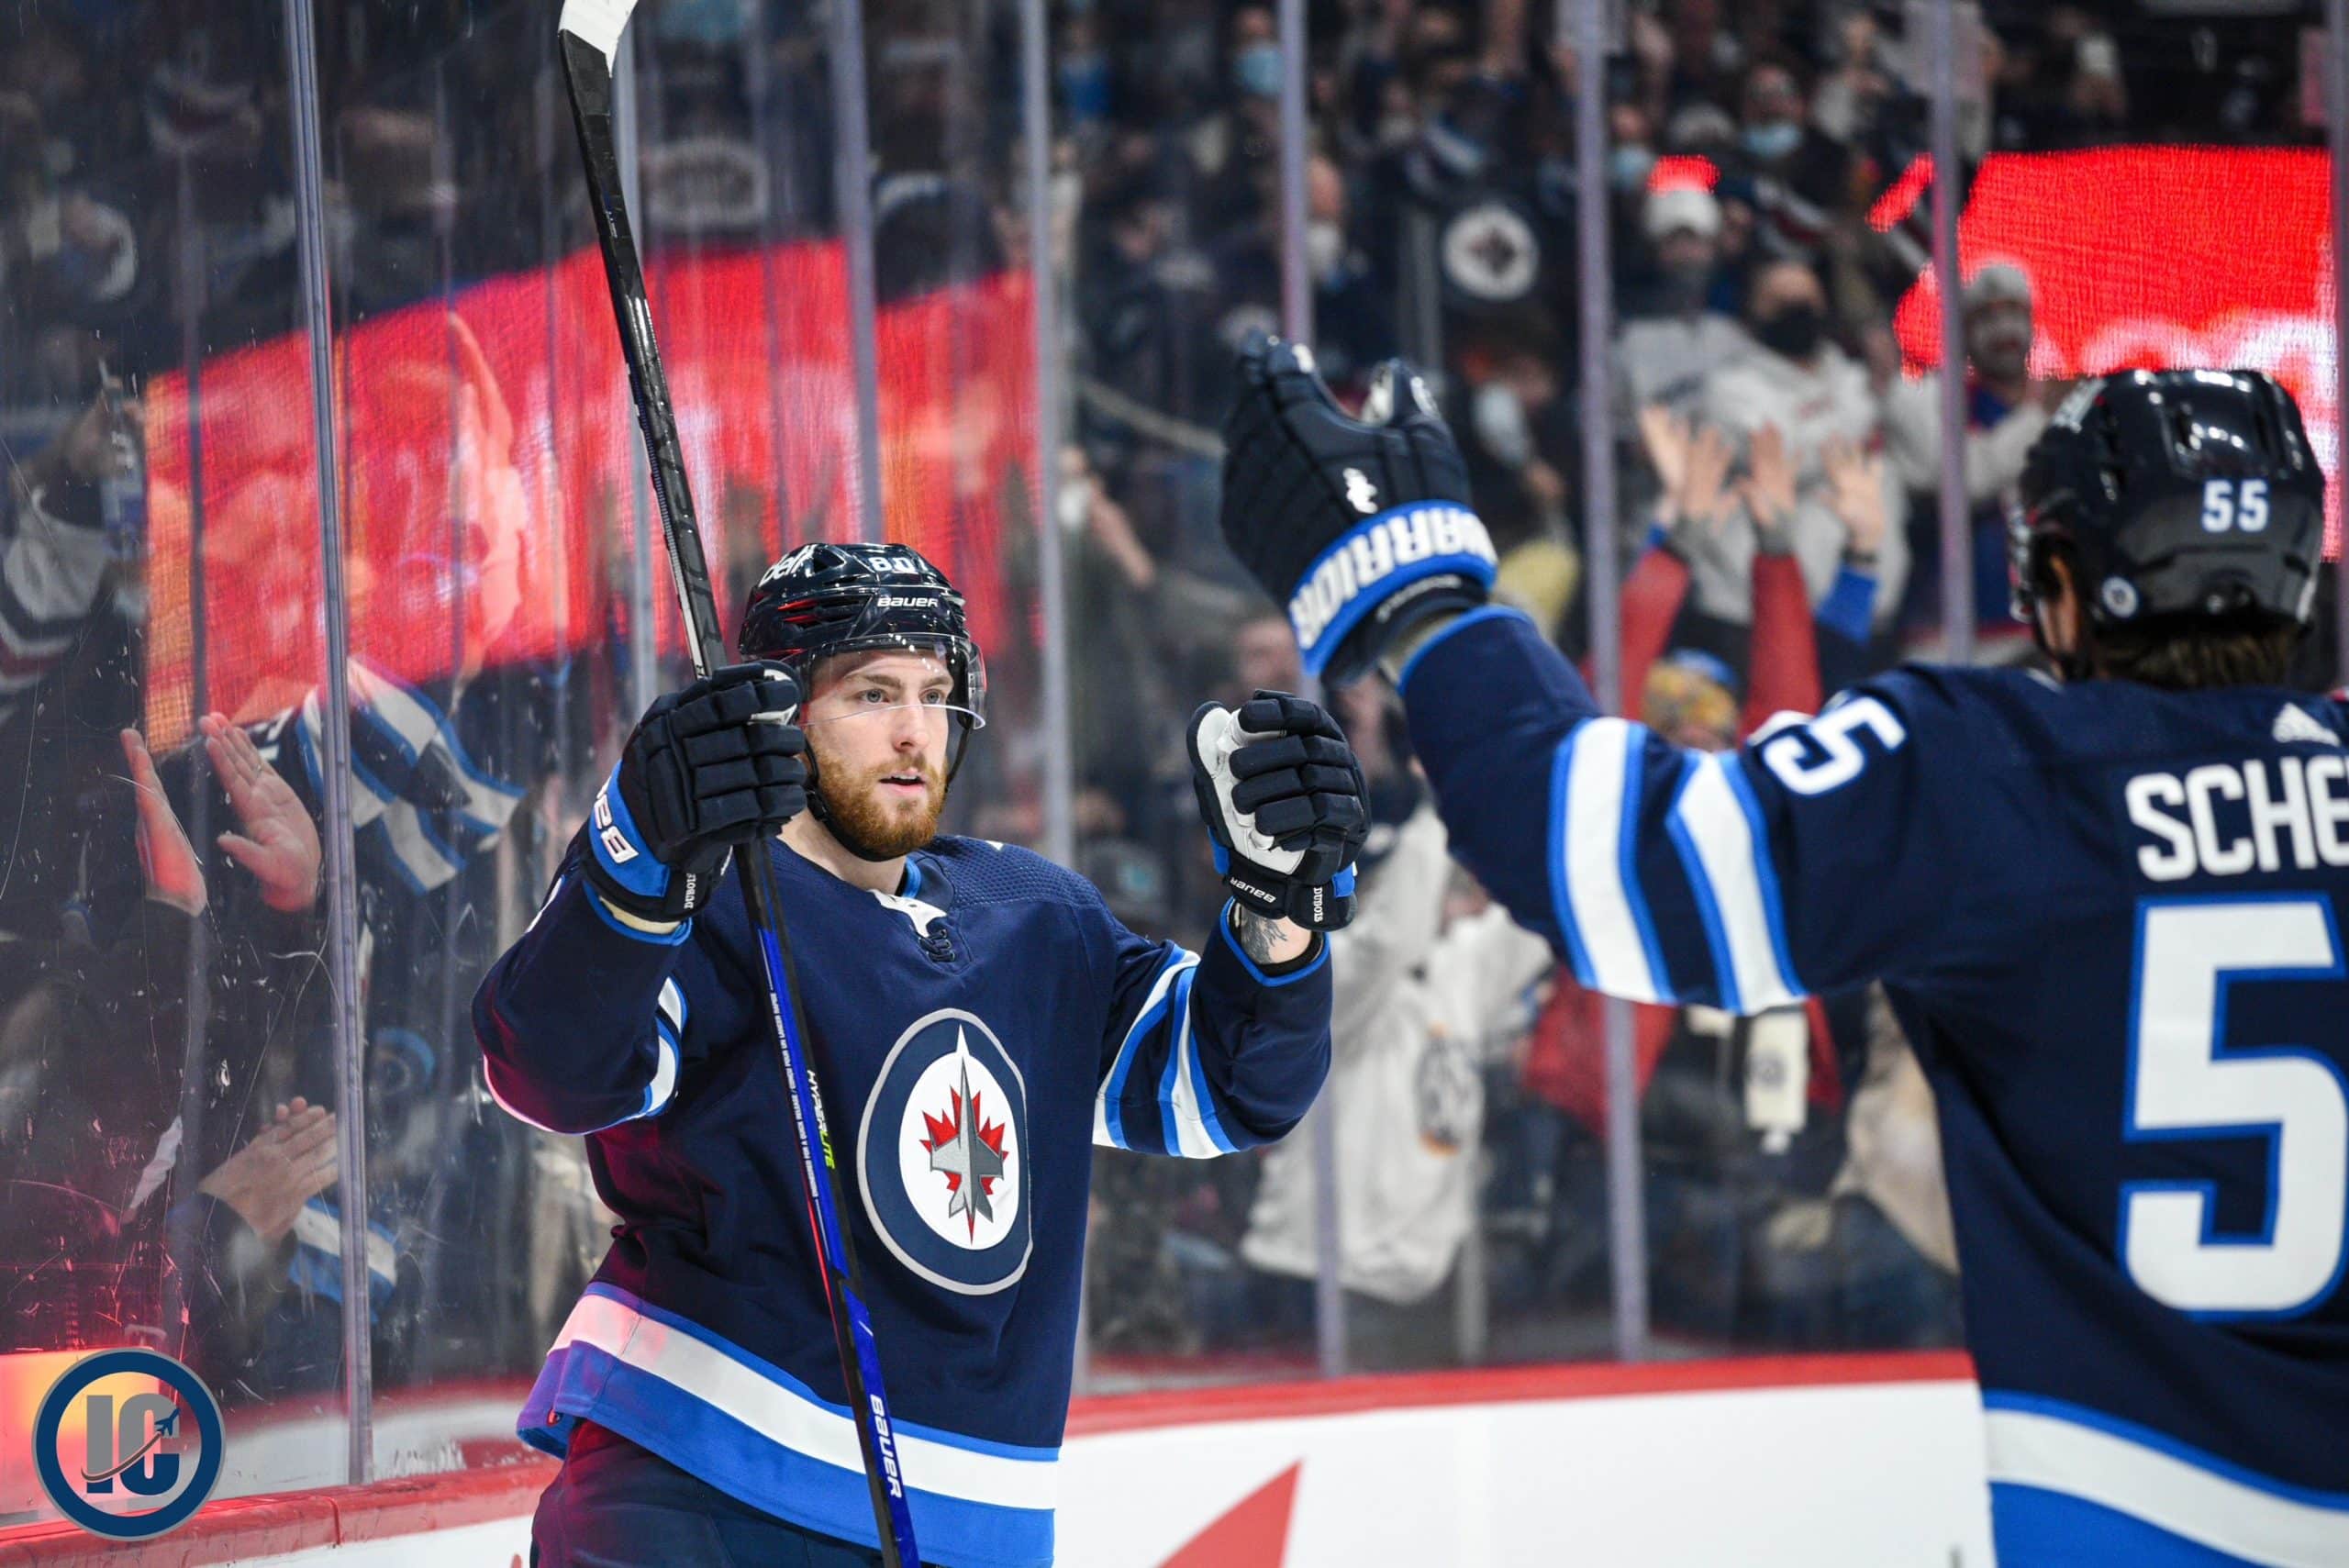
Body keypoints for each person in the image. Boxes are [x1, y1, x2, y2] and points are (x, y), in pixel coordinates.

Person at [1219, 341, 2348, 1567]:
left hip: (2130, 1521)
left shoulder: (1991, 768)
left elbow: (1619, 865)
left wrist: (1413, 590)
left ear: (2062, 585)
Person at [473, 541, 1365, 1568]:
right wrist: (633, 858)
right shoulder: (712, 895)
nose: (912, 731)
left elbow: (1229, 1088)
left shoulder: (1037, 917)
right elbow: (546, 1069)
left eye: (936, 693)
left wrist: (1278, 912)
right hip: (697, 1492)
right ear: (781, 714)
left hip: (969, 1525)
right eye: (871, 692)